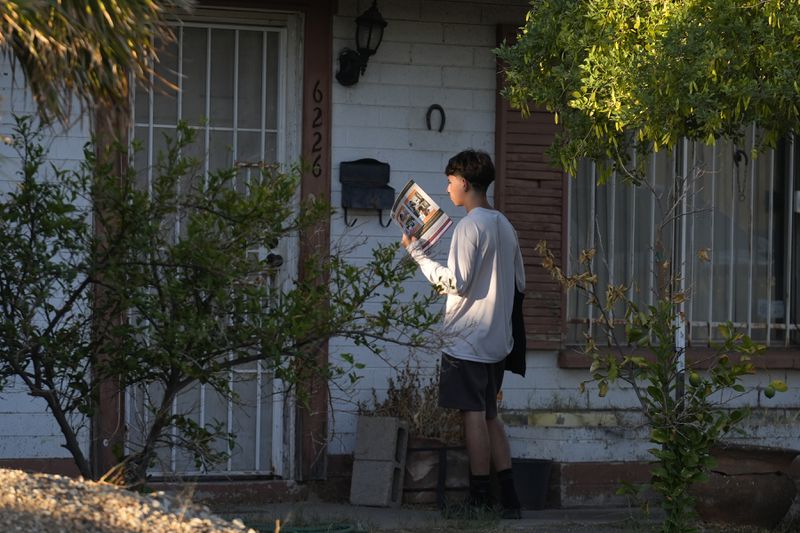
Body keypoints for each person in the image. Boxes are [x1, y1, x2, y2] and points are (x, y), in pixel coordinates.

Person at [401, 149, 525, 518]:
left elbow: (455, 281)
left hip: (467, 340)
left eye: (451, 180)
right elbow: (521, 282)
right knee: (490, 415)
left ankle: (479, 498)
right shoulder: (504, 224)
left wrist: (419, 255)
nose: (447, 187)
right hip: (497, 339)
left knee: (472, 414)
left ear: (465, 183)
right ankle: (510, 500)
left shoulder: (469, 226)